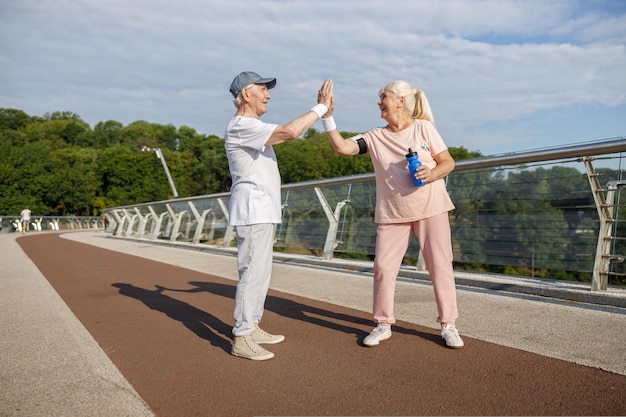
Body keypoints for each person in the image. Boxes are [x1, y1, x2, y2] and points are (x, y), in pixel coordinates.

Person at [321, 79, 464, 349]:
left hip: (431, 207)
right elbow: (343, 148)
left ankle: (449, 325)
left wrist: (431, 173)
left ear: (400, 100)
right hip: (392, 213)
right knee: (384, 268)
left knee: (440, 267)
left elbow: (448, 162)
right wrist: (327, 117)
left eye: (383, 97)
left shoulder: (424, 128)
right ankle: (383, 324)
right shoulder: (375, 136)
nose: (379, 102)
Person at [225, 71, 333, 360]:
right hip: (252, 210)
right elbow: (291, 132)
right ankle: (242, 336)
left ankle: (252, 324)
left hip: (262, 211)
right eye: (263, 89)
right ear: (246, 94)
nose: (268, 95)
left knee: (261, 272)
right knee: (252, 271)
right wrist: (321, 108)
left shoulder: (253, 127)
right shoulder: (241, 125)